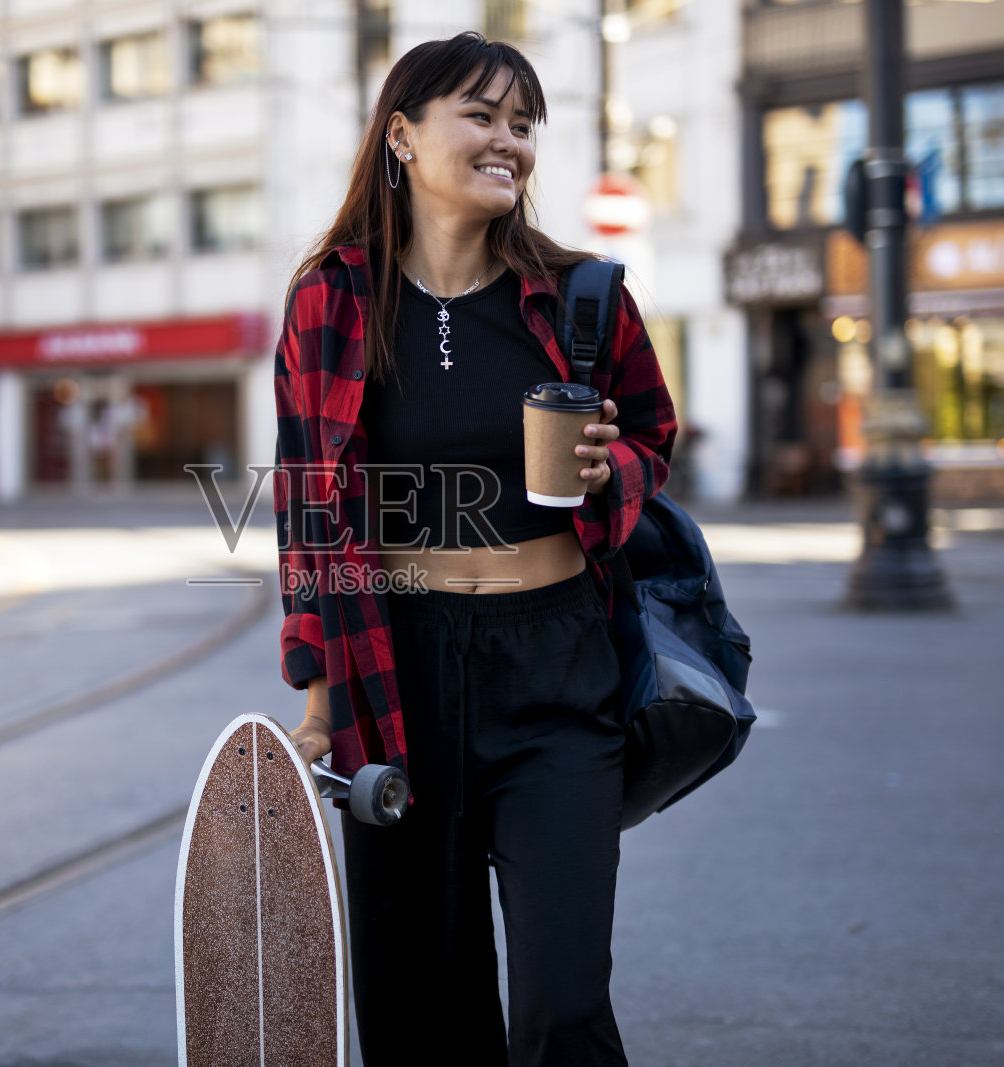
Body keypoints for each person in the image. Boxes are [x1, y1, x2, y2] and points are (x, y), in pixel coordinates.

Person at [272, 32, 676, 1066]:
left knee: (560, 1004)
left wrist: (608, 471)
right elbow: (308, 506)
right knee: (417, 1002)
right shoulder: (330, 299)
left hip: (554, 670)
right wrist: (318, 690)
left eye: (522, 123)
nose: (509, 140)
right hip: (392, 670)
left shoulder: (581, 295)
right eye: (482, 116)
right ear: (401, 136)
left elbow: (652, 439)